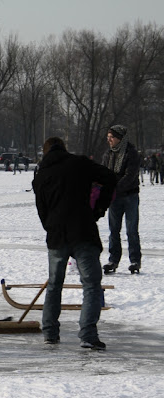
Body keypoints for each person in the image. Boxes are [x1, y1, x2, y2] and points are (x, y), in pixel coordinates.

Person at [33, 137, 117, 350]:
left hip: (57, 234)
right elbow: (110, 178)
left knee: (54, 285)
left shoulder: (41, 174)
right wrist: (99, 208)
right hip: (82, 231)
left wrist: (50, 226)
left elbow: (41, 209)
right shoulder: (79, 163)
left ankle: (50, 332)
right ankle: (88, 334)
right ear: (64, 148)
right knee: (91, 284)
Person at [101, 125, 142, 274]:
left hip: (130, 195)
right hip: (114, 198)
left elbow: (130, 175)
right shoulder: (108, 154)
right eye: (108, 138)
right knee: (113, 230)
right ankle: (113, 259)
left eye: (111, 137)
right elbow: (104, 172)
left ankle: (135, 260)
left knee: (131, 230)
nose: (109, 140)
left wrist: (114, 188)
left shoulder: (131, 153)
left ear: (119, 138)